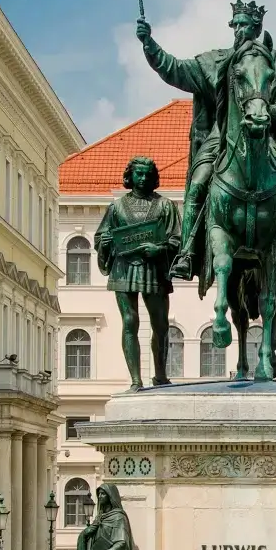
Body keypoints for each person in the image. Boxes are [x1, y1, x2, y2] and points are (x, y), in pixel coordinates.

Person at [134, 1, 276, 288]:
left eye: (246, 25)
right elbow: (174, 69)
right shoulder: (215, 62)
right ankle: (187, 252)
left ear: (258, 28)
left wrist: (264, 113)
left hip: (273, 138)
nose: (240, 30)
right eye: (236, 24)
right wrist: (149, 44)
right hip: (222, 136)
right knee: (199, 182)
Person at [94, 156, 181, 390]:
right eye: (138, 174)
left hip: (154, 268)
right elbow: (101, 237)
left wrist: (160, 248)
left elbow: (177, 240)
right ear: (130, 176)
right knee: (130, 321)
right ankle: (135, 380)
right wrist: (105, 241)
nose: (143, 178)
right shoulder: (117, 207)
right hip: (123, 268)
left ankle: (160, 375)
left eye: (147, 174)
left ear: (153, 178)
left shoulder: (166, 206)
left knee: (161, 324)